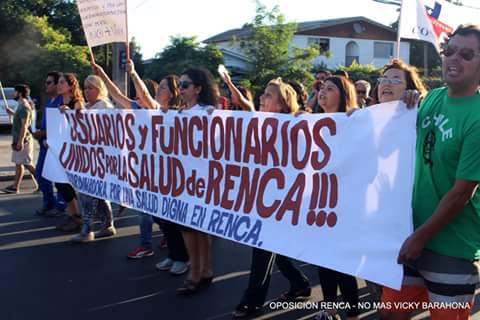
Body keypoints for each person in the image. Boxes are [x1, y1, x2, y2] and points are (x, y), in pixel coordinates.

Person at [381, 24, 480, 320]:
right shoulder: (433, 98)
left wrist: (420, 238)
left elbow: (462, 192)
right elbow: (394, 146)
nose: (453, 59)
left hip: (451, 247)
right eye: (449, 51)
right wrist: (396, 109)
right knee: (390, 314)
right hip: (409, 235)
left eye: (466, 54)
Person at [232, 78, 311, 319]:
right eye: (263, 93)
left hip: (283, 199)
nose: (261, 98)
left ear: (282, 103)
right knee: (272, 246)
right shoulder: (259, 123)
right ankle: (299, 283)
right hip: (263, 196)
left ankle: (252, 300)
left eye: (268, 95)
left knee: (262, 247)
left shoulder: (296, 125)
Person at [315, 76, 360, 320]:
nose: (323, 92)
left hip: (345, 207)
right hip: (319, 204)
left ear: (343, 95)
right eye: (321, 88)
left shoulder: (354, 122)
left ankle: (353, 314)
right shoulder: (311, 122)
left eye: (330, 89)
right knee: (323, 260)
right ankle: (329, 308)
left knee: (343, 265)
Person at [174, 68, 218, 295]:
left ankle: (202, 270)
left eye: (185, 85)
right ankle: (198, 269)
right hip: (183, 179)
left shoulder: (208, 112)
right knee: (188, 228)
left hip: (201, 180)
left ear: (198, 89)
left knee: (199, 227)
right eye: (180, 84)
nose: (180, 89)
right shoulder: (179, 114)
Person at [69, 75, 116, 242]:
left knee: (87, 193)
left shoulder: (105, 107)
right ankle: (107, 225)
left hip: (100, 159)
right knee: (96, 193)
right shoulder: (86, 106)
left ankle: (87, 229)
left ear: (100, 89)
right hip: (86, 159)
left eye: (91, 88)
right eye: (85, 87)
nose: (87, 91)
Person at [32, 71, 66, 216]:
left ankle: (61, 205)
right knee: (40, 175)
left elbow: (60, 127)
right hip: (45, 146)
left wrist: (42, 133)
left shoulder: (61, 102)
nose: (46, 85)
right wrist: (39, 131)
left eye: (49, 82)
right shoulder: (49, 102)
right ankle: (49, 203)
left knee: (59, 177)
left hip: (56, 147)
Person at [54, 73, 83, 233]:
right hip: (61, 148)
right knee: (59, 182)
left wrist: (69, 113)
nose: (59, 85)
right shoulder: (59, 102)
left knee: (66, 182)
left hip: (74, 151)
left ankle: (78, 216)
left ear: (71, 86)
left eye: (62, 82)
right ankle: (73, 214)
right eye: (58, 82)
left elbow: (81, 125)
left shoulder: (77, 103)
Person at [3, 84, 39, 194]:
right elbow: (21, 120)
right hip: (20, 139)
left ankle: (44, 184)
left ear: (20, 93)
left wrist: (20, 141)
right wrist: (12, 113)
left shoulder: (24, 106)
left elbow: (24, 125)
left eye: (15, 92)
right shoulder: (20, 105)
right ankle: (15, 187)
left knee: (27, 164)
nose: (13, 93)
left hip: (23, 140)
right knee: (20, 163)